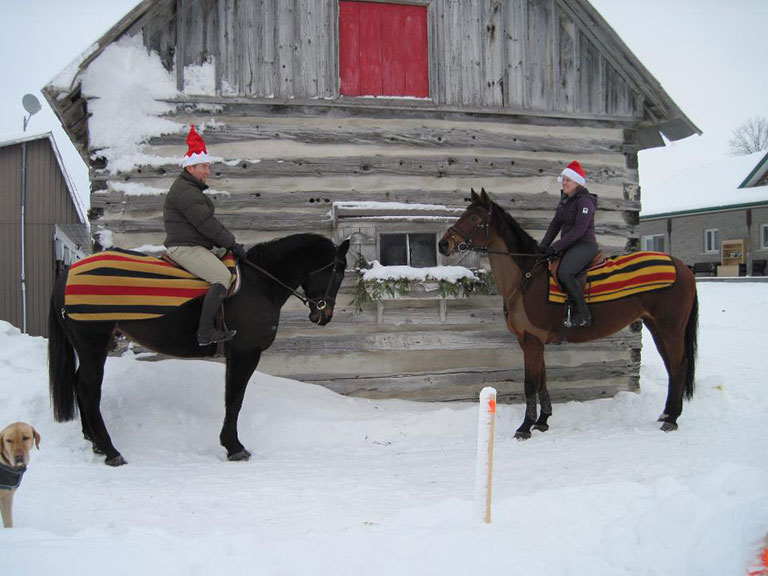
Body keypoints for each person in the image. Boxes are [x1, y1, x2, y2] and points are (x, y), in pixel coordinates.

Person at [163, 125, 247, 345]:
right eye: (204, 166)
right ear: (190, 167)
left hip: (194, 244)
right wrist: (232, 243)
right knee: (222, 276)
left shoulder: (188, 189)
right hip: (185, 247)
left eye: (208, 166)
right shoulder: (186, 192)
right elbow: (205, 224)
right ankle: (205, 332)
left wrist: (226, 246)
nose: (208, 171)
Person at [539, 161, 598, 328]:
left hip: (585, 246)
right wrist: (542, 248)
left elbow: (579, 230)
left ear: (577, 182)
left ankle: (584, 314)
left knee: (565, 272)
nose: (564, 183)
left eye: (568, 180)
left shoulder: (585, 202)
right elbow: (554, 225)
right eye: (563, 179)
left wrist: (555, 247)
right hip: (569, 246)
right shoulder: (565, 201)